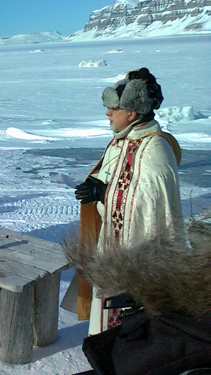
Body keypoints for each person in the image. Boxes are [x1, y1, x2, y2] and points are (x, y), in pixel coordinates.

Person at [73, 73, 184, 335]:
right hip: (111, 242)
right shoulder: (121, 139)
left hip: (137, 252)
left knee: (133, 326)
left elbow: (154, 202)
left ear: (132, 113)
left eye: (114, 108)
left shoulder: (156, 147)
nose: (108, 114)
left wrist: (105, 192)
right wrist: (95, 188)